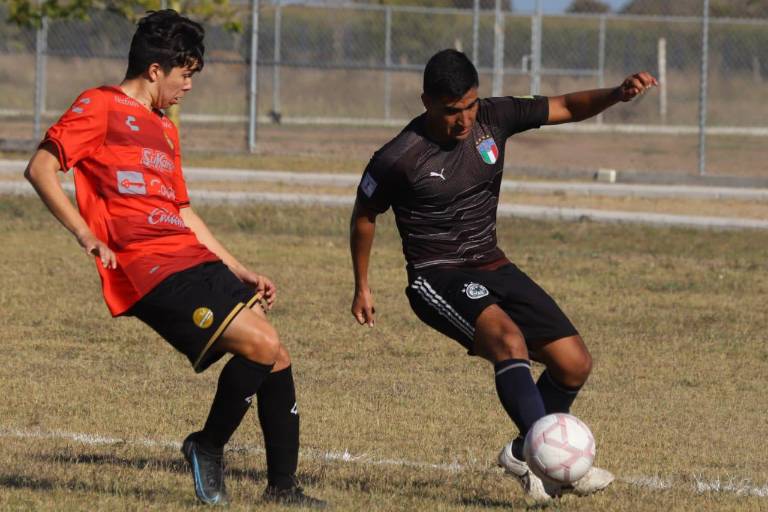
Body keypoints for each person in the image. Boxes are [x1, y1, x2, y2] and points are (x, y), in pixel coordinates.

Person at [24, 10, 325, 508]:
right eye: (185, 73)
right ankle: (206, 445)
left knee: (277, 356)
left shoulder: (164, 128)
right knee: (260, 344)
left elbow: (182, 212)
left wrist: (238, 267)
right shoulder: (99, 105)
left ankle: (283, 490)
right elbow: (40, 168)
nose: (188, 84)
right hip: (148, 268)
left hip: (189, 257)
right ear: (155, 69)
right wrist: (86, 235)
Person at [350, 48, 657, 501]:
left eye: (470, 105)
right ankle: (552, 467)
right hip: (437, 276)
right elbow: (364, 216)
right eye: (452, 111)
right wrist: (362, 285)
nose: (464, 119)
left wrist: (616, 94)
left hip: (492, 261)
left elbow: (567, 106)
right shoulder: (399, 157)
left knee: (574, 364)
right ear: (426, 102)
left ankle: (521, 452)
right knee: (508, 341)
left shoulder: (496, 117)